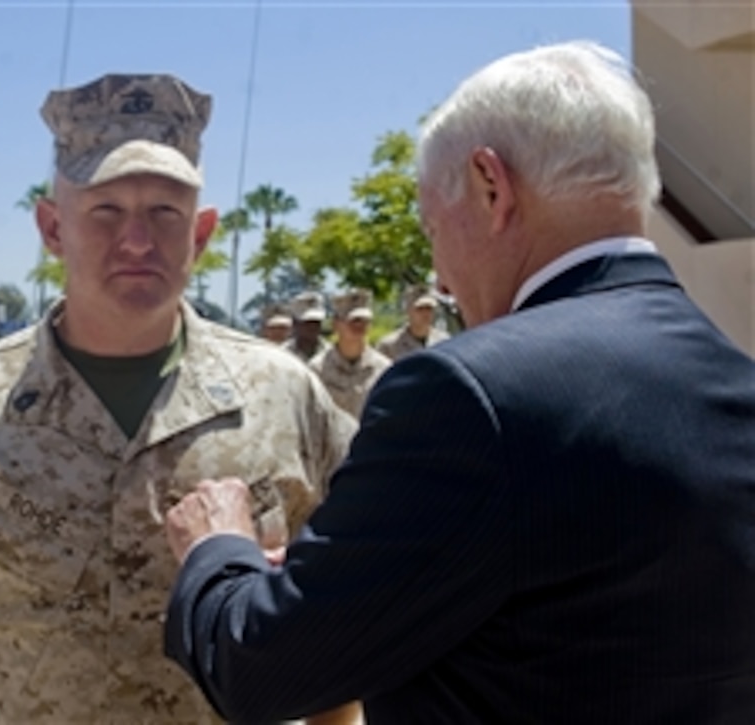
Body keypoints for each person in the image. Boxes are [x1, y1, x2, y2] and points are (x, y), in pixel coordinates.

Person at [161, 40, 755, 724]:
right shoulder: (735, 380)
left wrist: (221, 548)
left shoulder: (471, 395)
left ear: (491, 185)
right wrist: (363, 560)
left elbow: (260, 668)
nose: (440, 280)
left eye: (432, 229)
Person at [0, 72, 359, 723]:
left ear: (201, 232)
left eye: (165, 211)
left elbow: (346, 608)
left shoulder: (284, 397)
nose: (137, 240)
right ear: (53, 227)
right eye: (105, 210)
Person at [308, 289, 391, 419]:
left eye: (364, 321)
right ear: (335, 324)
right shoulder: (317, 369)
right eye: (353, 320)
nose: (359, 326)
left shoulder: (384, 369)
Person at [375, 286, 449, 362]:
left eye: (429, 308)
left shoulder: (444, 341)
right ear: (408, 311)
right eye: (420, 308)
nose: (426, 313)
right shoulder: (389, 345)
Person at [282, 290, 330, 362]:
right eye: (307, 323)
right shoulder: (283, 354)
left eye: (316, 322)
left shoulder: (330, 354)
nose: (312, 327)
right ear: (295, 323)